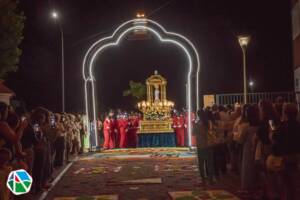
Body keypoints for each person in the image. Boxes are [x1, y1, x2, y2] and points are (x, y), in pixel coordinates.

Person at [272, 103, 300, 200]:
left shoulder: (282, 127)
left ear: (285, 113)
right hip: (296, 156)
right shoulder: (297, 125)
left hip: (284, 157)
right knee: (294, 183)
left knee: (286, 184)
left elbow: (275, 141)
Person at [238, 105, 259, 193]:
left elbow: (240, 139)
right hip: (258, 149)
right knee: (256, 168)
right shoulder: (259, 124)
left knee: (247, 168)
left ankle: (247, 187)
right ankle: (256, 185)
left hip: (247, 148)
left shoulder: (246, 126)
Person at [194, 109, 215, 184]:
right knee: (209, 162)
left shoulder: (197, 123)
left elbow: (193, 133)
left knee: (201, 162)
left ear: (198, 115)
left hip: (200, 145)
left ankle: (203, 178)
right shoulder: (209, 122)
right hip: (209, 144)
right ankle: (211, 178)